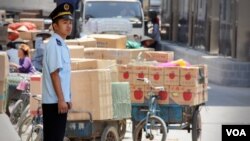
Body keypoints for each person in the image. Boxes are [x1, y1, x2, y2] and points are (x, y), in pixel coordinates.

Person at [42, 2, 73, 141]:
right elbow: (55, 74)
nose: (69, 25)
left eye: (70, 22)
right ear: (55, 26)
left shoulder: (62, 44)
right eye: (64, 22)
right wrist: (61, 99)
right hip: (54, 103)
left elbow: (64, 76)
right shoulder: (54, 44)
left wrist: (68, 98)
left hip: (59, 102)